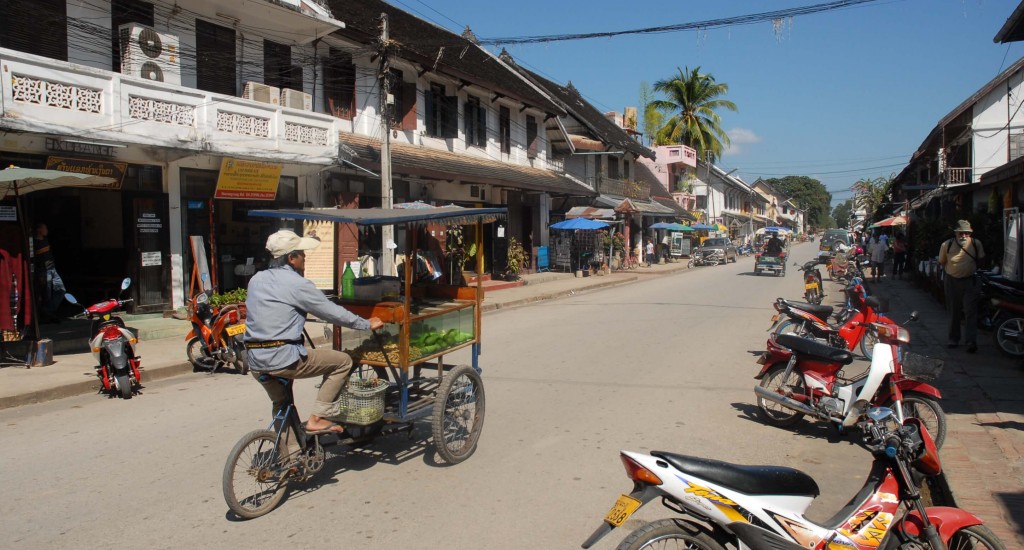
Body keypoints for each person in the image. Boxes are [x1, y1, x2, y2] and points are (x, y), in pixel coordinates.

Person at [245, 229, 384, 440]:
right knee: (343, 362)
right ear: (291, 258)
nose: (305, 257)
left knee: (281, 403)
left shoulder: (256, 280)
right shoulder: (297, 284)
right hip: (284, 358)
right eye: (301, 253)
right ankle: (318, 417)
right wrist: (365, 324)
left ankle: (289, 457)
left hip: (255, 360)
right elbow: (331, 312)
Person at [938, 220, 985, 353]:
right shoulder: (946, 245)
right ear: (956, 233)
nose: (963, 235)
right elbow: (942, 262)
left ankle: (971, 341)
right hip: (952, 281)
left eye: (966, 233)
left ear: (970, 234)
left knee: (971, 311)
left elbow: (982, 260)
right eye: (961, 233)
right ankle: (953, 339)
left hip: (970, 281)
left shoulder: (976, 244)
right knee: (954, 311)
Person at [32, 223, 66, 322]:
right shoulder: (34, 243)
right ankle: (46, 315)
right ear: (39, 230)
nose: (46, 230)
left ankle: (48, 310)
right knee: (47, 293)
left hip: (52, 268)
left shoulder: (45, 240)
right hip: (43, 270)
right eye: (44, 228)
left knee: (61, 289)